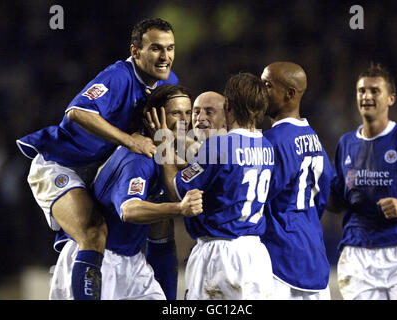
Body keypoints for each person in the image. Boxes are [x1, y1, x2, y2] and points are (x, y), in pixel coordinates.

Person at [16, 18, 178, 300]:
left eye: (170, 48)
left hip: (100, 172)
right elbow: (76, 112)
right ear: (136, 52)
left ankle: (74, 276)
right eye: (155, 48)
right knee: (93, 233)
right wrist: (130, 140)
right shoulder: (118, 76)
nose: (165, 57)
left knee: (115, 233)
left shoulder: (168, 82)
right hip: (60, 164)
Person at [49, 84, 203, 300]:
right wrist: (179, 208)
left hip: (133, 261)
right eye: (175, 113)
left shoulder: (167, 156)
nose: (184, 121)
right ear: (153, 117)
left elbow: (161, 238)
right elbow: (129, 210)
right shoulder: (137, 159)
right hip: (101, 260)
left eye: (188, 113)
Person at [148, 72, 275, 300]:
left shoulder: (219, 145)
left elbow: (176, 189)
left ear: (229, 107)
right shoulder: (266, 145)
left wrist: (163, 146)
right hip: (256, 255)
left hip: (220, 256)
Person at [328, 63, 397, 300]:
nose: (366, 96)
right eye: (361, 90)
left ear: (391, 99)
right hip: (358, 253)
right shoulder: (346, 143)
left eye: (375, 91)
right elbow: (338, 201)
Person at [259, 61, 333, 300]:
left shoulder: (272, 141)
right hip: (314, 254)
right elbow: (324, 195)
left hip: (278, 257)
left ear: (290, 93)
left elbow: (255, 199)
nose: (260, 91)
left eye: (267, 85)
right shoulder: (314, 138)